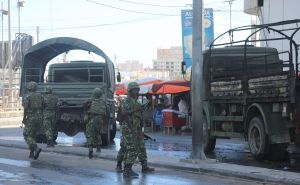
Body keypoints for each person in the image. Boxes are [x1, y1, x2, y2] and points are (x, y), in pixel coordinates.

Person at [117, 82, 154, 178]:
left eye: (138, 90)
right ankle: (127, 170)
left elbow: (140, 118)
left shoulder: (137, 103)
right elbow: (124, 113)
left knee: (141, 147)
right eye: (135, 90)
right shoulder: (126, 101)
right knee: (131, 148)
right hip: (128, 128)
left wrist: (141, 130)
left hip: (136, 129)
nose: (137, 92)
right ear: (130, 91)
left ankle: (144, 166)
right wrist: (136, 109)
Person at [22, 81, 43, 160]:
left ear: (29, 88)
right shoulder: (41, 96)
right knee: (33, 135)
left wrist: (24, 118)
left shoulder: (27, 96)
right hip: (39, 118)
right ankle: (31, 153)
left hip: (31, 118)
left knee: (27, 135)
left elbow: (26, 108)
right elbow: (44, 105)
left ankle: (36, 148)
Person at [85, 88, 106, 159]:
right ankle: (98, 148)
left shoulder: (90, 101)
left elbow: (85, 107)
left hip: (92, 119)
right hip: (100, 120)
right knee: (98, 133)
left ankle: (90, 148)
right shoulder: (103, 102)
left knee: (90, 134)